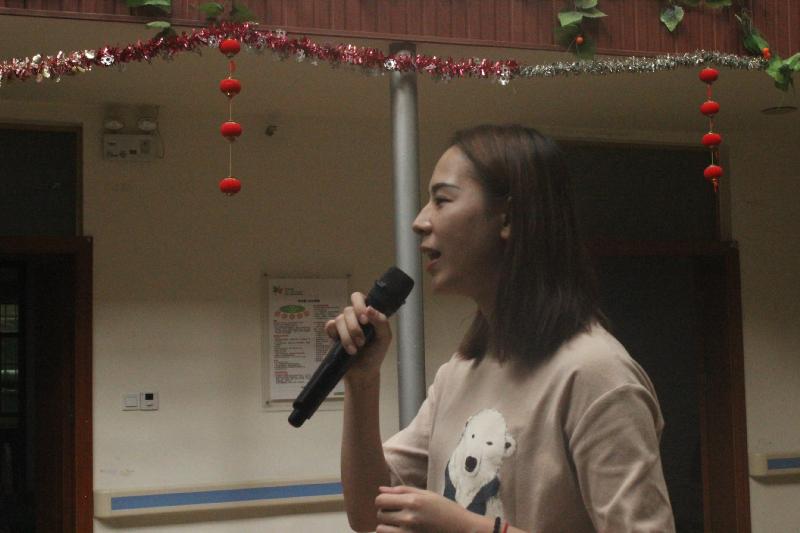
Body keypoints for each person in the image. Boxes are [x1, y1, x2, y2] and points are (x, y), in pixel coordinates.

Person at [327, 125, 675, 533]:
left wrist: (474, 529)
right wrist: (362, 382)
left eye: (442, 200)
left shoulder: (596, 375)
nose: (419, 221)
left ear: (507, 217)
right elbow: (369, 514)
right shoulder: (459, 373)